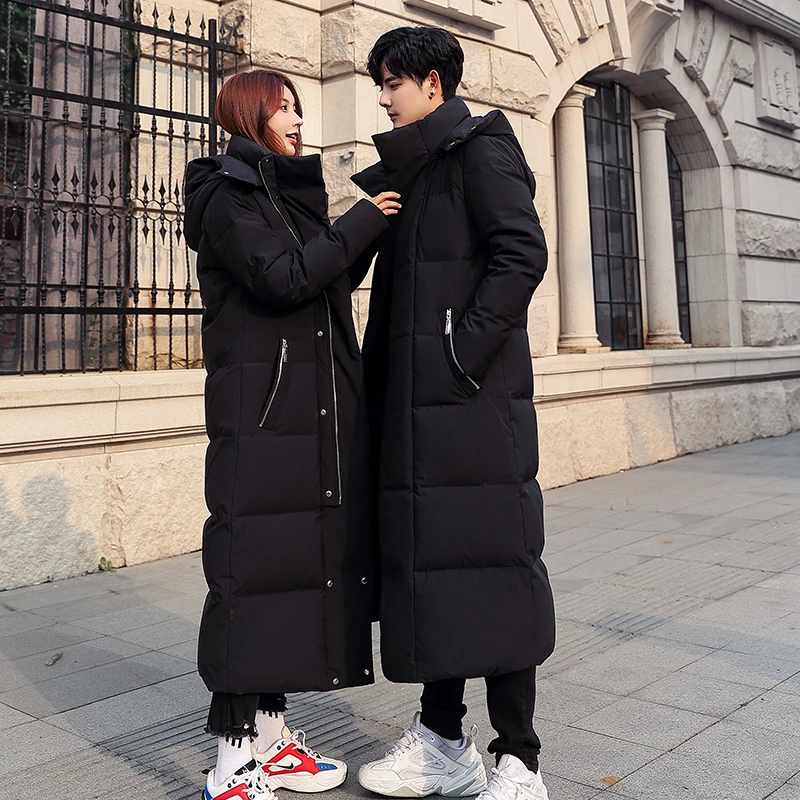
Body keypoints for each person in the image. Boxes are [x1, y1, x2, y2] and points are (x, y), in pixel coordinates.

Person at [183, 69, 401, 800]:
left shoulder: (277, 194)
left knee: (289, 576)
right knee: (250, 580)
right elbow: (282, 279)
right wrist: (359, 223)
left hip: (305, 415)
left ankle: (271, 739)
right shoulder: (226, 195)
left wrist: (365, 230)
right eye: (285, 110)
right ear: (251, 117)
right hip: (262, 417)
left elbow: (323, 277)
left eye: (299, 109)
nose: (299, 121)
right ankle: (231, 765)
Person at [352, 27, 556, 800]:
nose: (382, 97)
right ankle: (442, 739)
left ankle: (520, 760)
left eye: (392, 83)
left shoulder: (480, 152)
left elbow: (522, 253)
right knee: (437, 573)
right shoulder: (415, 168)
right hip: (420, 415)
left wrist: (460, 356)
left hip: (473, 408)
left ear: (432, 84)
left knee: (494, 569)